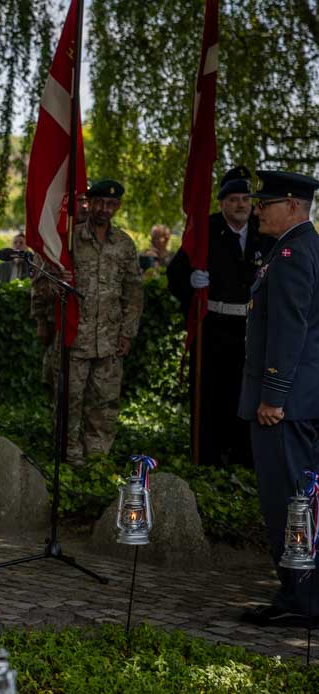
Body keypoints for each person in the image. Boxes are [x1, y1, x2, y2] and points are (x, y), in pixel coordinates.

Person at [237, 170, 319, 628]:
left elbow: (288, 333)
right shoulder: (305, 248)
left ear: (293, 205)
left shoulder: (290, 254)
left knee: (287, 502)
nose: (257, 209)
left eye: (266, 203)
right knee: (300, 500)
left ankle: (300, 599)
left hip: (284, 409)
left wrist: (272, 397)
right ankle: (302, 592)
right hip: (303, 401)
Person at [33, 179, 143, 465]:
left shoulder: (124, 244)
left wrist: (127, 334)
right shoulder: (68, 240)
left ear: (116, 207)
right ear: (88, 203)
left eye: (110, 204)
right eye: (98, 203)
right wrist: (59, 283)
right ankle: (68, 457)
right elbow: (42, 286)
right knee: (69, 402)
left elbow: (133, 292)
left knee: (103, 405)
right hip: (74, 339)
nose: (104, 209)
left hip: (109, 341)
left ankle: (96, 461)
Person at [167, 165, 272, 468]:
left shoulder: (262, 231)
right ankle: (209, 458)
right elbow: (174, 272)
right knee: (212, 393)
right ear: (222, 203)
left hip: (251, 327)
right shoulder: (205, 230)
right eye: (234, 199)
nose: (240, 205)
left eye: (245, 199)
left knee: (246, 392)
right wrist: (190, 281)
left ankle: (243, 457)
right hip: (214, 326)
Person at [32, 194, 89, 397]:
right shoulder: (53, 243)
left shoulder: (95, 240)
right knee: (59, 386)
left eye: (86, 200)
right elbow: (39, 286)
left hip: (91, 331)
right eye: (79, 200)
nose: (84, 206)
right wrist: (40, 321)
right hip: (58, 324)